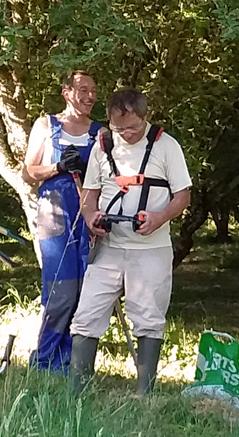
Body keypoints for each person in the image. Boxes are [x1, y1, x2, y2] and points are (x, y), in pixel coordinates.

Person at [69, 88, 192, 396]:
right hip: (108, 248)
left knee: (148, 318)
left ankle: (144, 393)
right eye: (118, 128)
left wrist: (159, 217)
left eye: (133, 127)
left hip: (151, 250)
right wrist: (91, 218)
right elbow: (89, 195)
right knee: (86, 315)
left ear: (144, 116)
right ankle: (77, 393)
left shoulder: (166, 146)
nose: (126, 134)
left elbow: (183, 196)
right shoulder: (103, 145)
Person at [23, 71, 103, 372]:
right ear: (67, 92)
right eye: (83, 89)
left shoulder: (101, 133)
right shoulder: (46, 125)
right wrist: (58, 166)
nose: (90, 96)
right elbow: (28, 172)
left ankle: (73, 361)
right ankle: (43, 360)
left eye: (93, 90)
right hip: (54, 212)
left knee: (86, 291)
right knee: (61, 289)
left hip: (89, 213)